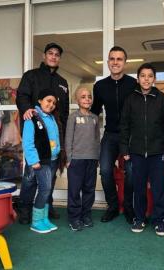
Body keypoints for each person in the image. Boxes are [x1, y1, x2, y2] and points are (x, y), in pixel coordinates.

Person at [17, 42, 69, 220]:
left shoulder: (63, 83)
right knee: (31, 175)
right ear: (44, 56)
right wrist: (27, 110)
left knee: (50, 175)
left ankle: (47, 205)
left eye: (57, 54)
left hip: (55, 136)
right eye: (50, 53)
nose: (53, 56)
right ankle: (24, 209)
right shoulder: (31, 76)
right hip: (35, 134)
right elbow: (22, 96)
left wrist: (64, 136)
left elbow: (65, 110)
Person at [120, 63, 164, 236]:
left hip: (157, 151)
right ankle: (139, 218)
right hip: (137, 151)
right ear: (138, 78)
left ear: (154, 79)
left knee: (158, 188)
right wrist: (125, 148)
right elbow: (124, 125)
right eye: (143, 76)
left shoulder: (162, 98)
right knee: (138, 187)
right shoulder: (130, 99)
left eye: (150, 76)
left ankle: (159, 220)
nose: (146, 79)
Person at [90, 46, 138, 223]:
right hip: (110, 135)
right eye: (112, 59)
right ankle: (112, 206)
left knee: (132, 172)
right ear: (108, 62)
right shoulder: (100, 86)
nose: (115, 62)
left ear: (125, 63)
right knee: (104, 170)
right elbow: (94, 112)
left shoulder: (134, 84)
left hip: (130, 136)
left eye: (119, 59)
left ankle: (128, 207)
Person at [20, 88, 62, 233]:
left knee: (47, 190)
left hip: (52, 159)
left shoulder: (51, 117)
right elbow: (27, 142)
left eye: (54, 103)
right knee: (44, 190)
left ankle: (44, 219)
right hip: (41, 161)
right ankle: (36, 221)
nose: (51, 105)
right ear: (40, 100)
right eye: (48, 101)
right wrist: (33, 161)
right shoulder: (32, 117)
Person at [65, 87, 100, 231]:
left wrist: (97, 156)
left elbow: (97, 139)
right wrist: (68, 157)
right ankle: (74, 217)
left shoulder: (95, 118)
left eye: (89, 96)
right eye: (83, 97)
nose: (87, 99)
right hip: (76, 160)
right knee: (74, 189)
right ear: (77, 100)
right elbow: (68, 138)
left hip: (91, 159)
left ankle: (86, 215)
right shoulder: (73, 117)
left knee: (89, 189)